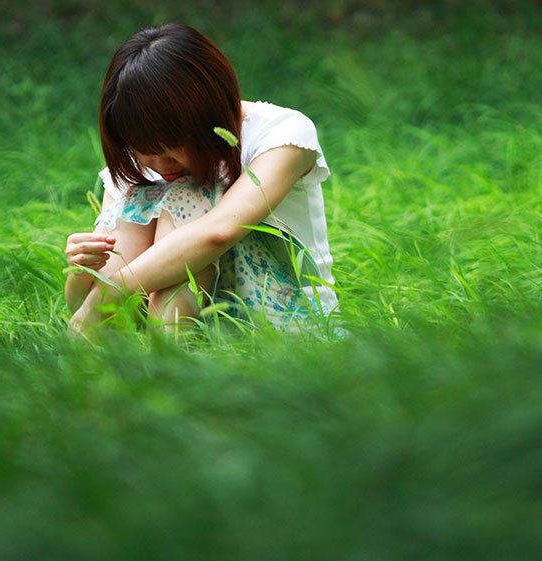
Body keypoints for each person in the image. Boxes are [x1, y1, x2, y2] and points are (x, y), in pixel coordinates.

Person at [64, 23, 338, 334]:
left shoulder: (282, 134)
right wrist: (82, 274)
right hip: (192, 343)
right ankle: (169, 361)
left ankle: (168, 357)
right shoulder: (138, 162)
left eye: (173, 149)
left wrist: (111, 290)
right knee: (174, 218)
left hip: (289, 335)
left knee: (187, 208)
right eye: (145, 151)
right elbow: (94, 316)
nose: (160, 165)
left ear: (208, 114)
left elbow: (217, 232)